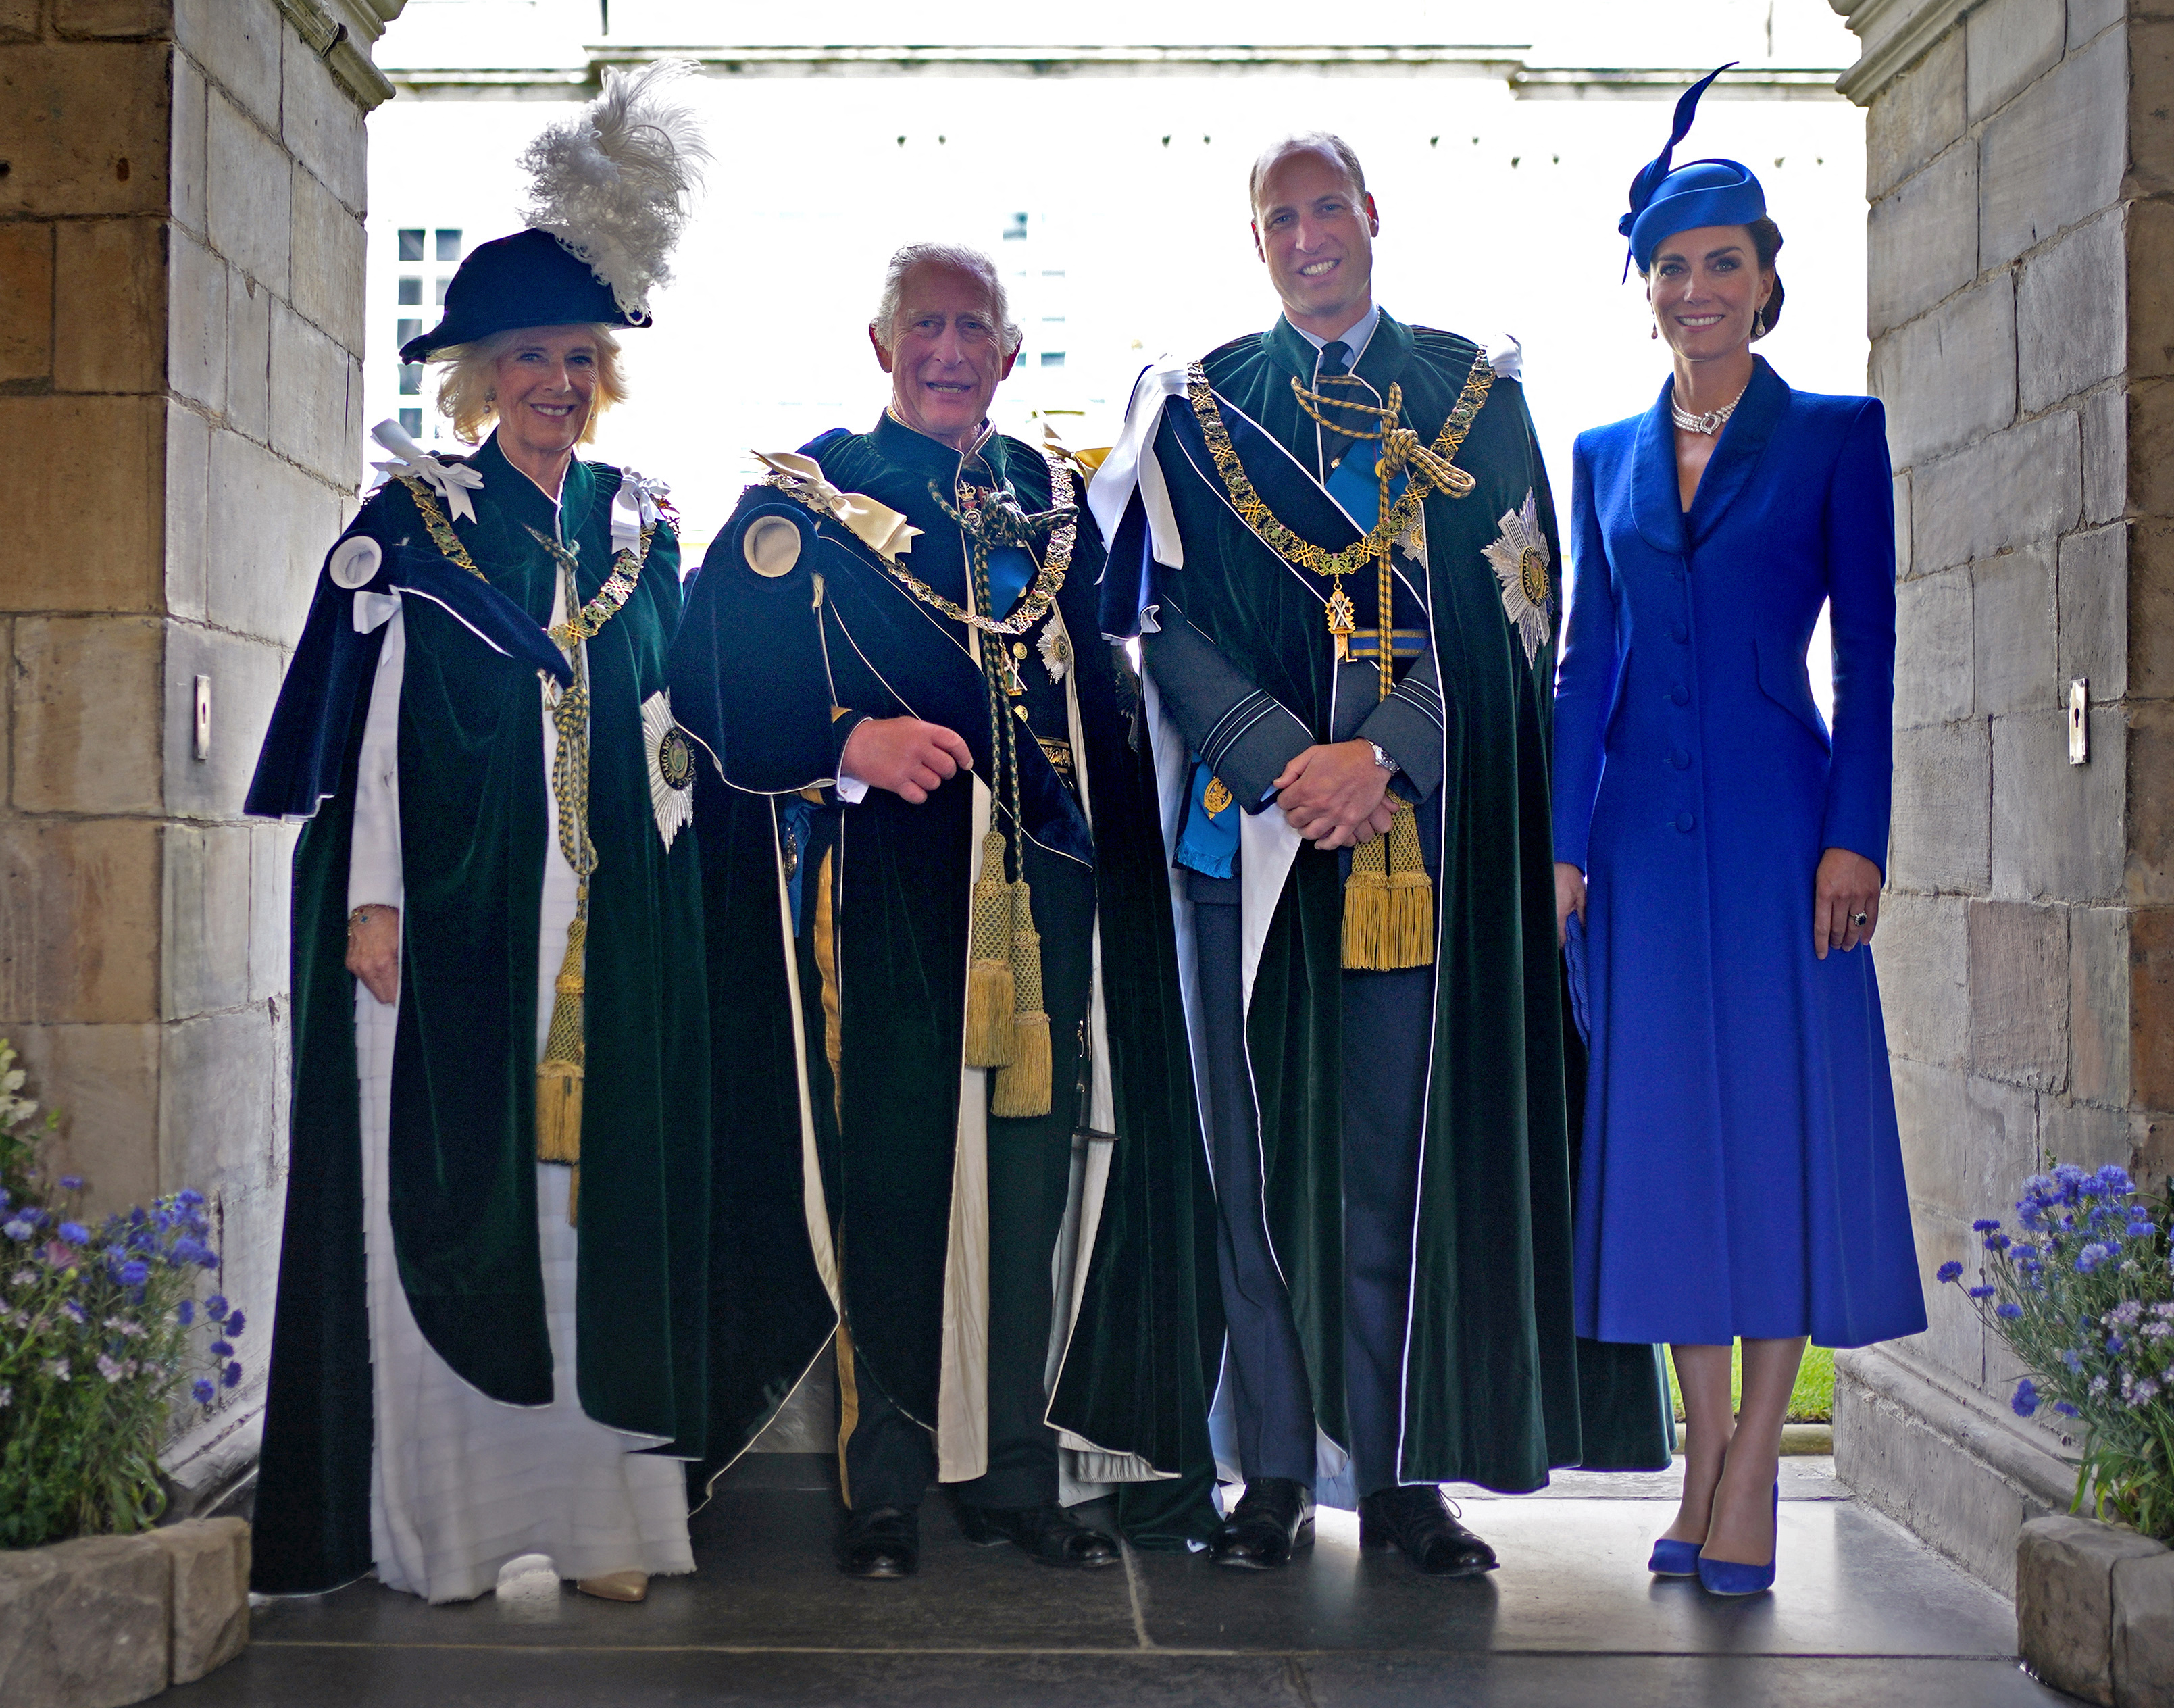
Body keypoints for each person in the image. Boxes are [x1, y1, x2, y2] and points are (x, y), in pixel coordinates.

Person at [1088, 133, 1672, 1577]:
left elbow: (1520, 620)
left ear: (1371, 219)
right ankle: (1274, 1472)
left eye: (1326, 210)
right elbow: (1162, 625)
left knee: (1393, 1163)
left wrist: (1385, 755)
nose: (1307, 237)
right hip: (1247, 842)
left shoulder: (1477, 399)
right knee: (1255, 1163)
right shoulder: (1198, 405)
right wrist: (1283, 764)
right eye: (1278, 217)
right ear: (1258, 241)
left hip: (1418, 854)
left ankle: (1404, 1475)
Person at [670, 243, 1219, 1580]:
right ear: (880, 345)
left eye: (976, 328)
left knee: (1032, 1192)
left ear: (1011, 354)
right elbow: (705, 681)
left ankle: (1015, 1472)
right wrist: (846, 738)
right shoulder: (802, 498)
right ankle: (887, 1478)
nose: (951, 349)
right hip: (886, 908)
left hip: (1052, 903)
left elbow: (1112, 680)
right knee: (896, 1183)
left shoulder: (1056, 499)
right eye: (927, 325)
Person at [243, 64, 713, 1605]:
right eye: (530, 358)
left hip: (609, 938)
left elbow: (673, 733)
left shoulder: (640, 527)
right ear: (478, 376)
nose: (557, 383)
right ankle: (446, 1527)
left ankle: (604, 1531)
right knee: (452, 1208)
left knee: (594, 1222)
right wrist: (372, 904)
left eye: (580, 358)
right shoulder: (412, 530)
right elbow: (363, 741)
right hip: (450, 932)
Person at [1552, 68, 1927, 1598]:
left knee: (1773, 1139)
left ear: (1767, 278)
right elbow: (1587, 656)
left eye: (1722, 262)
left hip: (1786, 836)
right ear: (1646, 292)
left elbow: (1876, 653)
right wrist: (1566, 841)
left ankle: (1758, 1455)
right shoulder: (1602, 455)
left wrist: (1861, 834)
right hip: (1636, 838)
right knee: (1662, 1145)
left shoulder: (1839, 435)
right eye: (1671, 267)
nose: (1695, 289)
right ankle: (1701, 1442)